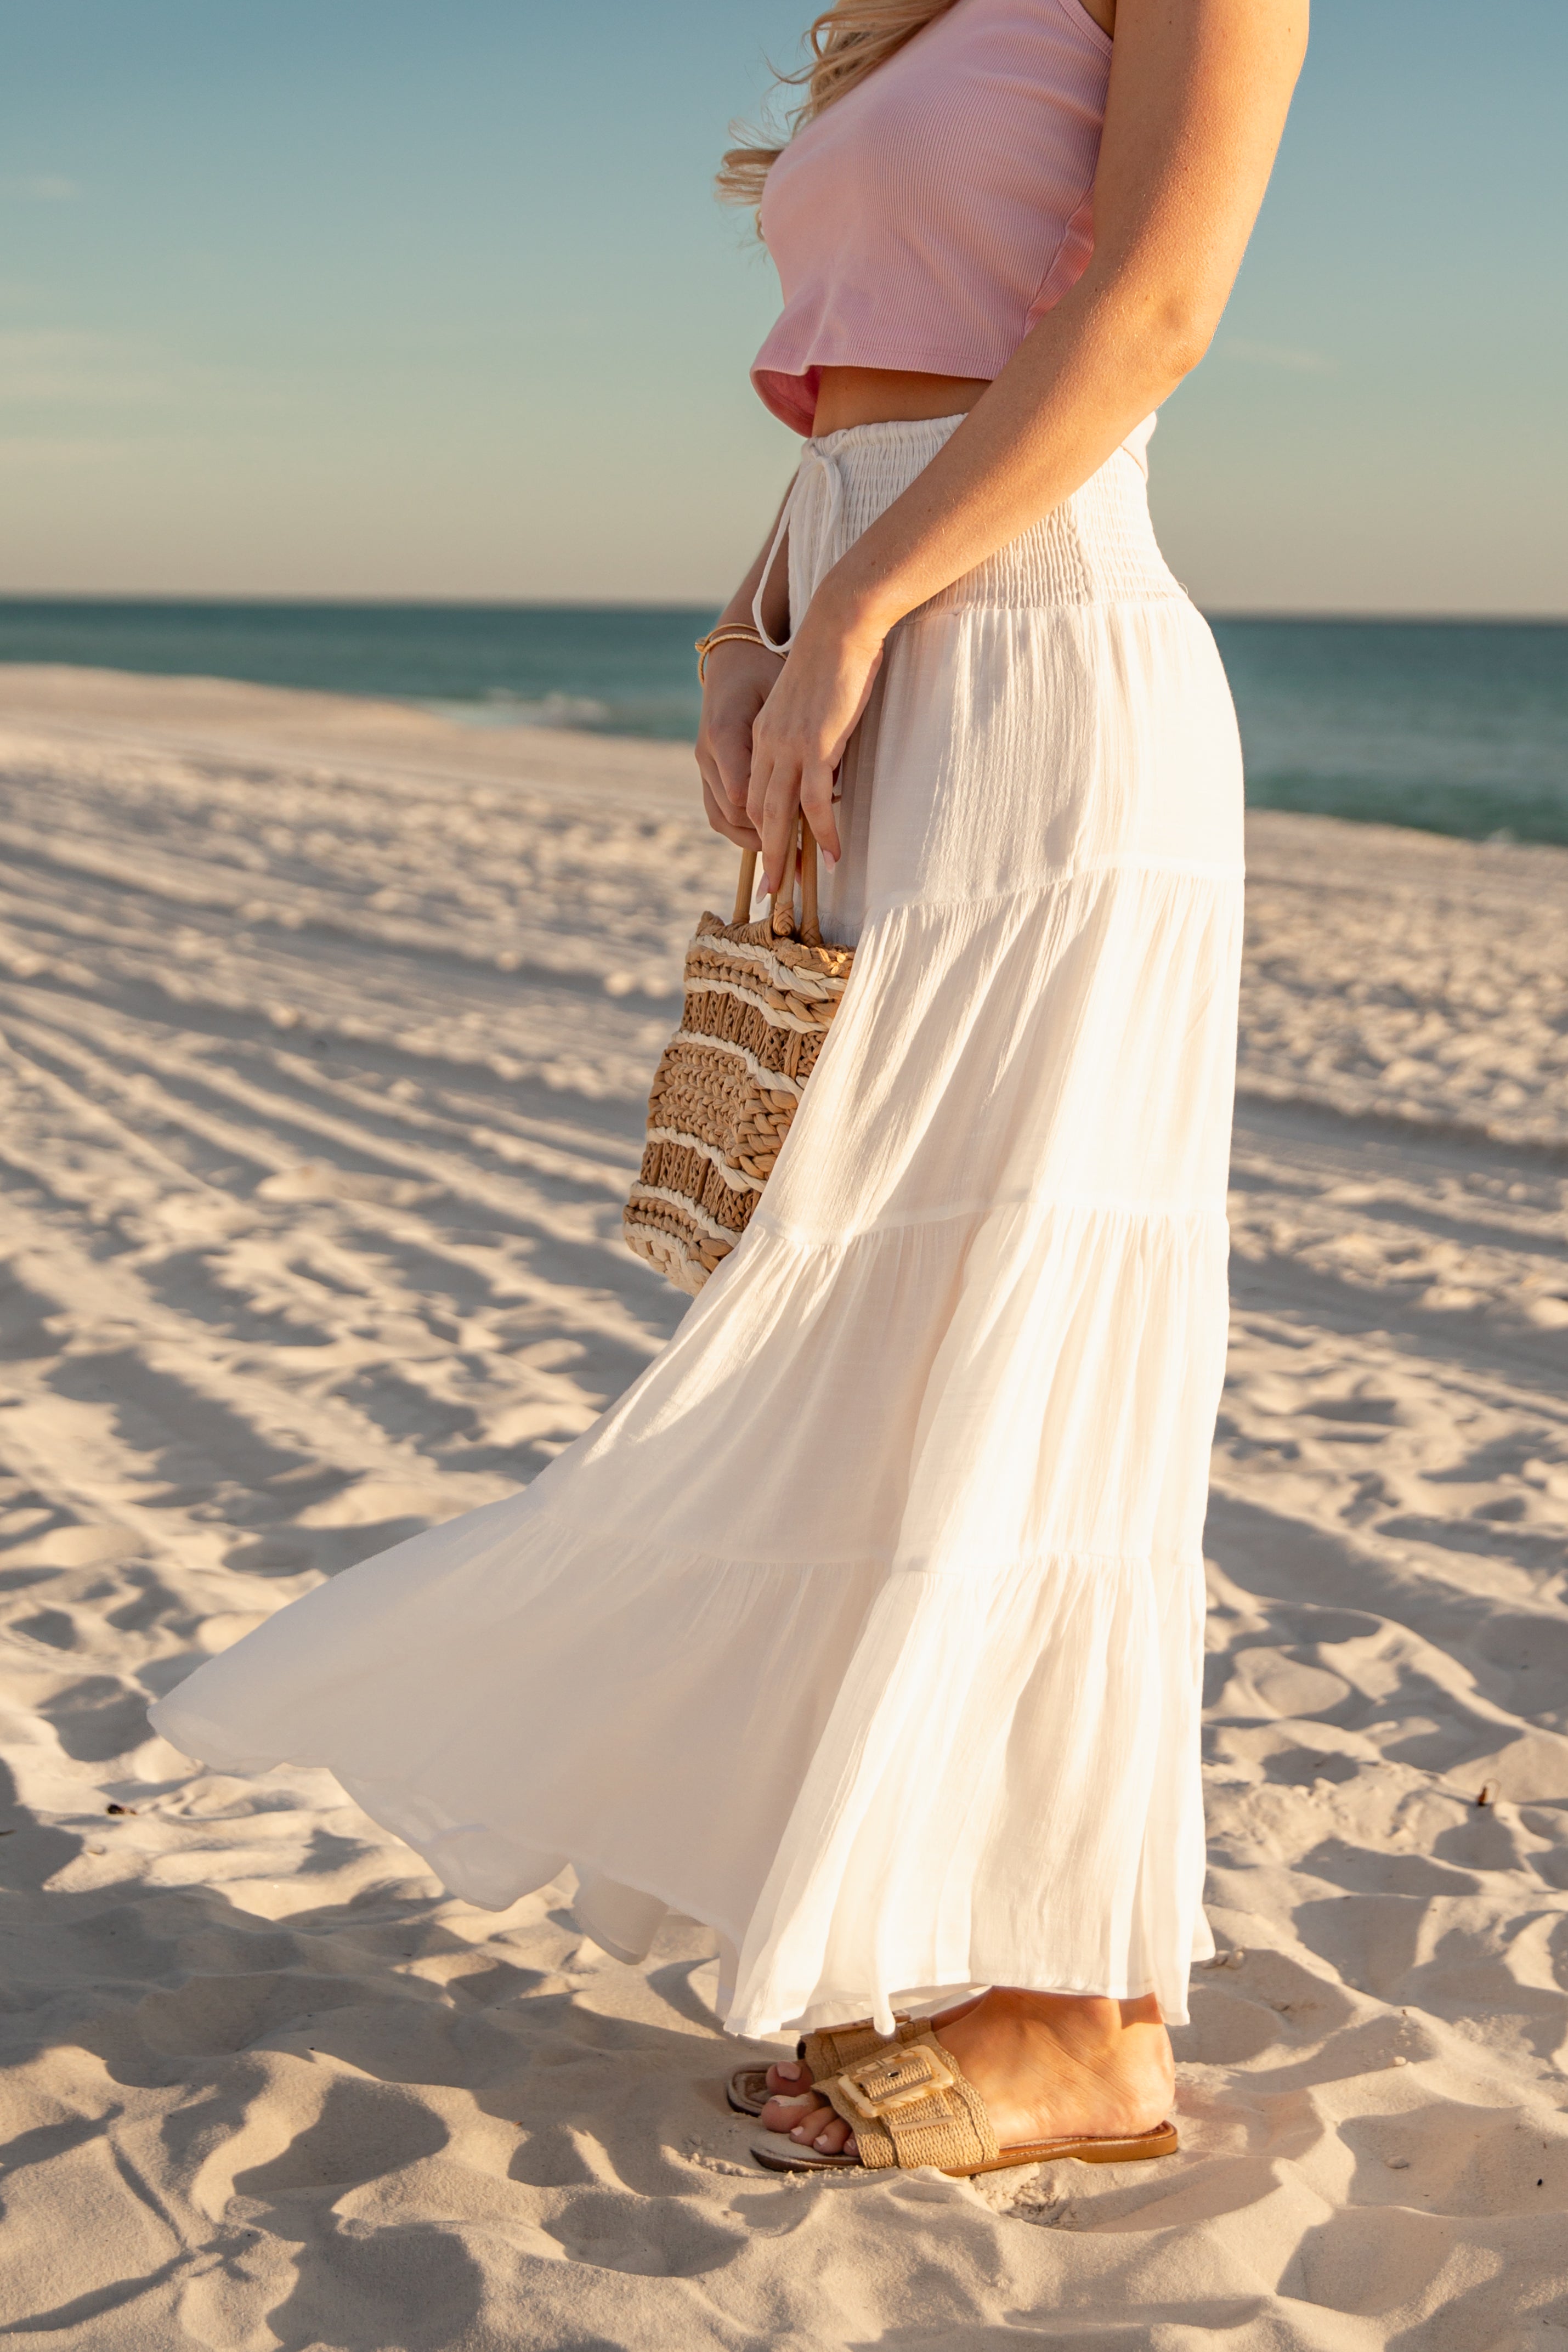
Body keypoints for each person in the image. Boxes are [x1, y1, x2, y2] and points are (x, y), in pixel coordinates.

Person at [151, 0, 1305, 2180]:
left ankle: (1084, 2014)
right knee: (882, 1330)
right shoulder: (923, 12)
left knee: (1016, 1319)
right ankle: (1009, 1956)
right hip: (889, 637)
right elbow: (868, 395)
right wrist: (754, 622)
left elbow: (1151, 312)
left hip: (1041, 668)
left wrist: (856, 602)